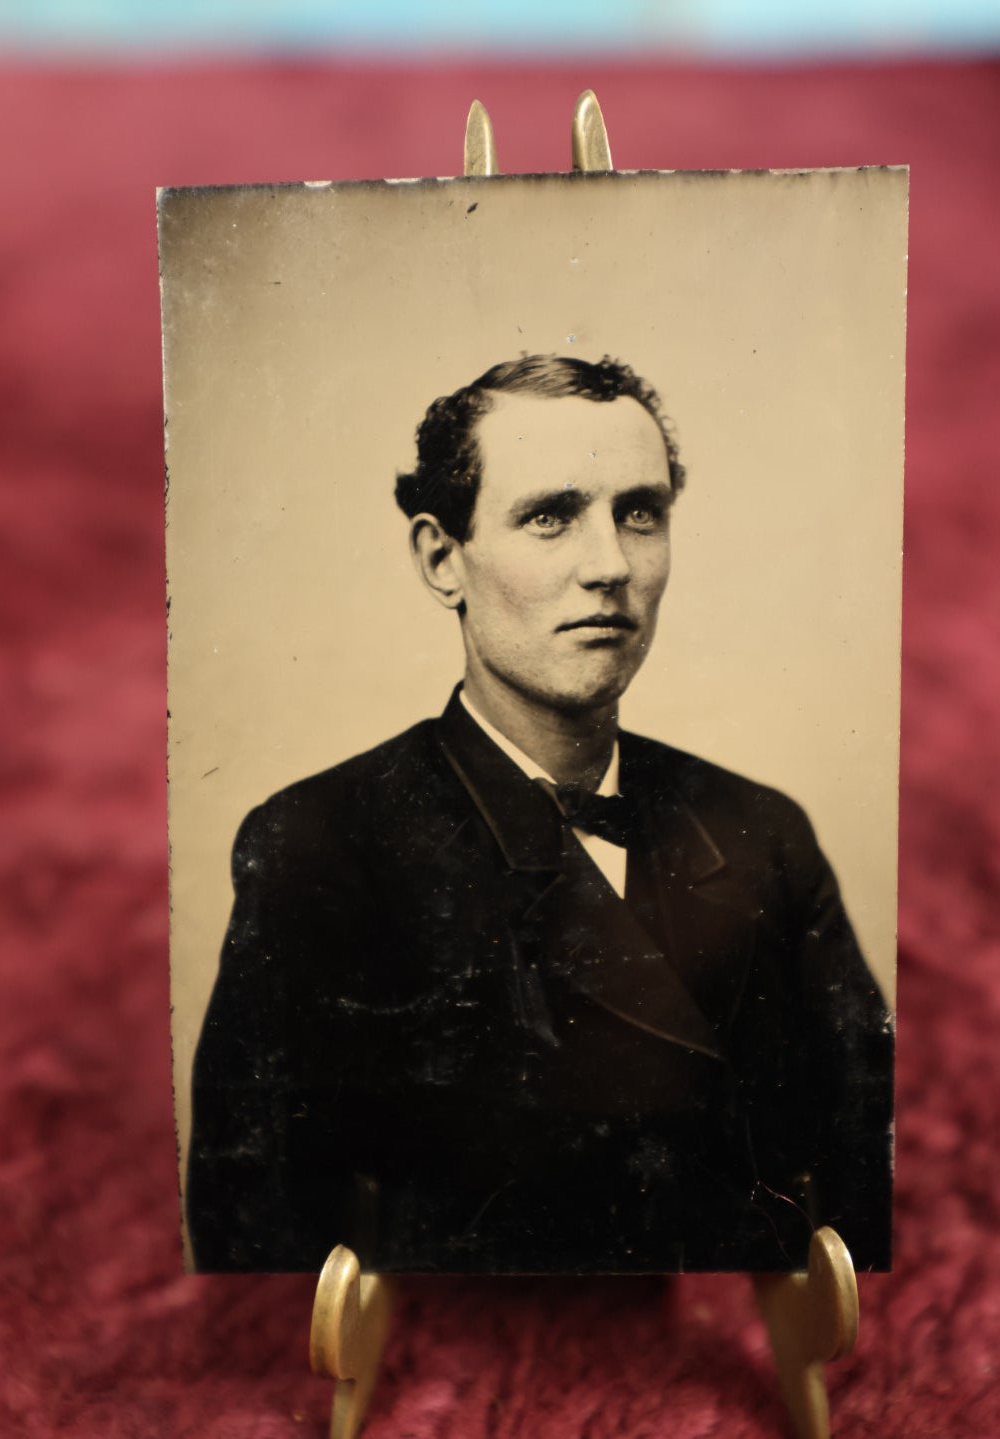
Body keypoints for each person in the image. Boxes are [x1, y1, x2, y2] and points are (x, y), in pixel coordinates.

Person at [186, 355, 893, 1275]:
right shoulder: (319, 845)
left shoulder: (764, 834)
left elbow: (872, 1176)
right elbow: (255, 1242)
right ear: (443, 559)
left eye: (639, 513)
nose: (610, 565)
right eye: (551, 516)